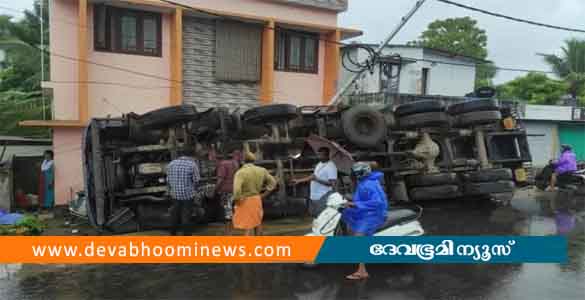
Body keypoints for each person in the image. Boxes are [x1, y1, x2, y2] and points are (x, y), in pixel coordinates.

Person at [341, 162, 388, 280]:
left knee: (358, 238)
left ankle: (362, 271)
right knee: (349, 223)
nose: (355, 175)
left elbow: (377, 202)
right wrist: (350, 200)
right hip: (366, 211)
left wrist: (354, 203)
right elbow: (363, 198)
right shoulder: (366, 182)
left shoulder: (368, 184)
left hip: (373, 214)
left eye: (357, 173)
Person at [232, 151, 277, 236]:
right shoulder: (261, 170)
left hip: (245, 200)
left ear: (242, 161)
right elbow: (273, 182)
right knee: (257, 222)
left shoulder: (240, 172)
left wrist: (237, 200)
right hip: (257, 198)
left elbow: (237, 190)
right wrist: (265, 194)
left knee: (249, 226)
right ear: (254, 160)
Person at [292, 147, 338, 217]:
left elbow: (332, 184)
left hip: (323, 196)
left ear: (327, 155)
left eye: (321, 155)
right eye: (318, 154)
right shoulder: (319, 164)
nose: (319, 157)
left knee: (322, 216)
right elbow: (312, 177)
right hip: (314, 196)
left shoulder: (331, 166)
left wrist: (317, 179)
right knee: (315, 215)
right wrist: (298, 181)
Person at [166, 150, 200, 236]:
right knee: (186, 216)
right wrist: (195, 191)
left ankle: (173, 234)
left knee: (175, 214)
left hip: (175, 194)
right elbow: (196, 181)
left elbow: (168, 181)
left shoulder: (171, 164)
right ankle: (186, 236)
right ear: (190, 156)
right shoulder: (192, 165)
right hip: (188, 195)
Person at [215, 150, 241, 235]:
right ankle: (231, 229)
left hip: (226, 190)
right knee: (232, 209)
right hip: (234, 189)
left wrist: (216, 189)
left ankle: (228, 232)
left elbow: (220, 179)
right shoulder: (235, 163)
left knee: (227, 211)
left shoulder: (223, 164)